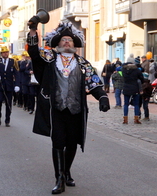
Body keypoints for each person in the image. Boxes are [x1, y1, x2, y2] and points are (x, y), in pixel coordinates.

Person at [27, 19, 110, 194]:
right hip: (55, 108)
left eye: (70, 40)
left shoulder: (83, 63)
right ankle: (60, 178)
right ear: (57, 43)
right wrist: (33, 30)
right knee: (57, 142)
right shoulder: (49, 58)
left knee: (72, 143)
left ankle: (66, 171)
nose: (66, 42)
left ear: (75, 44)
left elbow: (94, 83)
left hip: (76, 109)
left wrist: (102, 97)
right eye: (63, 40)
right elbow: (34, 53)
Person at [0, 46, 20, 127]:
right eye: (4, 52)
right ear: (1, 54)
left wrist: (17, 85)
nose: (5, 54)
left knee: (8, 103)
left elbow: (16, 74)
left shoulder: (13, 61)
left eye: (6, 52)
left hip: (9, 85)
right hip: (0, 85)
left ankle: (7, 120)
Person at [122, 60, 144, 124]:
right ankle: (136, 118)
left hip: (126, 88)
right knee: (136, 104)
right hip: (135, 88)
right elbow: (141, 79)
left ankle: (125, 119)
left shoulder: (124, 70)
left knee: (126, 104)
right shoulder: (137, 70)